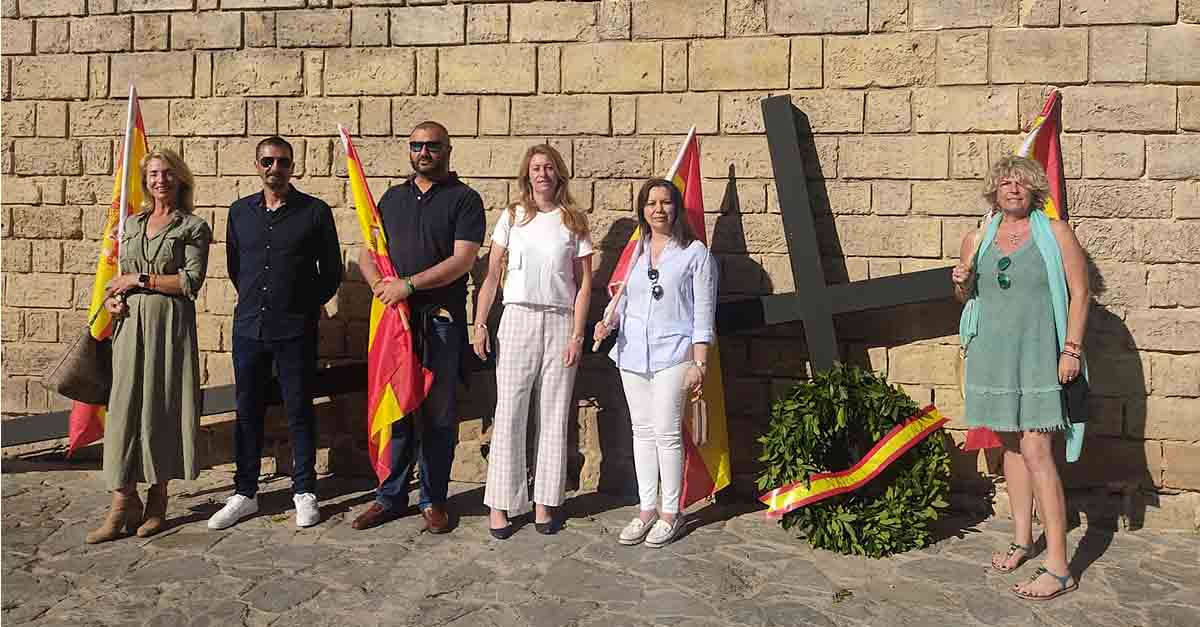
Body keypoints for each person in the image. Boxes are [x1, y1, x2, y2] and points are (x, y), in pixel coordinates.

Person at [952, 155, 1089, 601]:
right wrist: (960, 280)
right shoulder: (977, 237)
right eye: (1005, 183)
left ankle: (1059, 565)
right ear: (994, 191)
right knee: (1009, 443)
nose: (1012, 189)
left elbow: (1081, 293)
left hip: (1039, 355)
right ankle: (1022, 539)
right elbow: (966, 294)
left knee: (1036, 448)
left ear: (1034, 190)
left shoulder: (1055, 233)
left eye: (1021, 183)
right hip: (993, 353)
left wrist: (1071, 349)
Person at [351, 121, 486, 532]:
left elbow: (462, 260)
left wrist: (408, 285)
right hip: (397, 323)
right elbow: (366, 252)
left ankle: (433, 499)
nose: (423, 152)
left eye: (431, 146)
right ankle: (389, 497)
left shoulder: (465, 200)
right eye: (416, 146)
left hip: (439, 323)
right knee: (398, 411)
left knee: (439, 414)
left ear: (448, 149)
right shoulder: (392, 199)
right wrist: (380, 286)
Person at [208, 136, 343, 531]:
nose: (275, 169)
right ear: (257, 165)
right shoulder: (239, 212)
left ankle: (304, 490)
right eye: (267, 161)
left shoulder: (314, 213)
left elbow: (331, 272)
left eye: (282, 162)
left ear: (292, 166)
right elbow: (237, 267)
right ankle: (245, 493)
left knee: (300, 410)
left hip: (294, 330)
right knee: (247, 411)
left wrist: (302, 305)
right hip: (250, 327)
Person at [88, 149, 212, 543]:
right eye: (154, 174)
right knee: (123, 408)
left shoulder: (192, 226)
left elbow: (190, 282)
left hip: (169, 327)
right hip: (128, 327)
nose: (160, 180)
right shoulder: (132, 224)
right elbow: (117, 276)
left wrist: (138, 280)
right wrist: (112, 298)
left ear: (179, 179)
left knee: (162, 405)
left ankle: (158, 500)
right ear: (146, 180)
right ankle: (122, 502)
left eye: (167, 173)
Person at [473, 144, 594, 539]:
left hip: (560, 321)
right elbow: (492, 276)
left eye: (549, 167)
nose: (542, 173)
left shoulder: (574, 221)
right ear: (527, 175)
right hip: (518, 317)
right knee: (509, 412)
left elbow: (584, 285)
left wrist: (578, 334)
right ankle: (501, 504)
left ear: (558, 174)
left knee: (555, 414)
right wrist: (480, 323)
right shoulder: (512, 217)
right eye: (535, 168)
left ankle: (545, 501)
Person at [593, 179, 717, 549]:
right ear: (642, 210)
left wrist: (700, 362)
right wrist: (608, 322)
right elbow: (624, 300)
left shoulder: (696, 255)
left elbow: (703, 314)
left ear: (677, 208)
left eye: (665, 202)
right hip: (632, 354)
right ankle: (646, 509)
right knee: (641, 431)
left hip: (673, 354)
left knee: (666, 432)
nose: (658, 209)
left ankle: (669, 512)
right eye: (651, 203)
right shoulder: (636, 253)